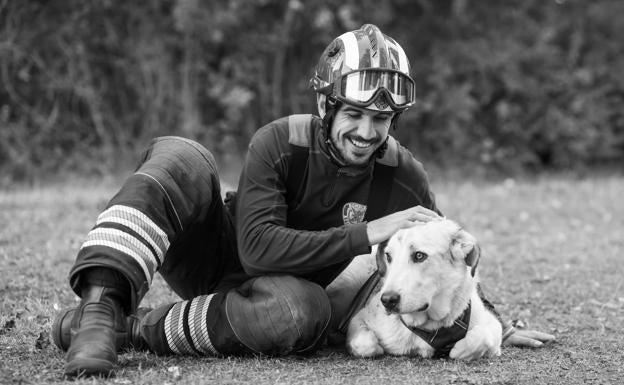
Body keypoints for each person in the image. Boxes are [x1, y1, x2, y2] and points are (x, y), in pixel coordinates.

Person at [51, 24, 554, 377]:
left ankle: (133, 329)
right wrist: (369, 232)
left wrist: (492, 322)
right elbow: (256, 252)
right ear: (325, 105)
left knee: (301, 311)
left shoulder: (403, 173)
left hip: (281, 300)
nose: (366, 131)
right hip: (218, 256)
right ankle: (99, 310)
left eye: (381, 120)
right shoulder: (278, 141)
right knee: (181, 154)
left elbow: (446, 253)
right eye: (354, 114)